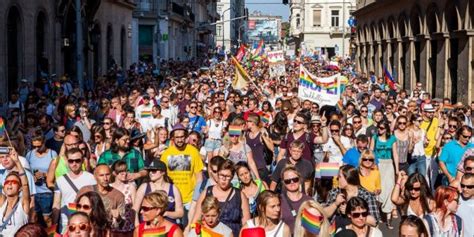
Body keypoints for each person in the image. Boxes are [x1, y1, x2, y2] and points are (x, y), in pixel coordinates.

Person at [192, 159, 250, 237]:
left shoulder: (240, 195)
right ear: (218, 174)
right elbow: (196, 220)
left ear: (232, 177)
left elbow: (246, 226)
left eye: (227, 176)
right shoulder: (207, 192)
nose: (224, 179)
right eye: (221, 175)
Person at [161, 124, 204, 227]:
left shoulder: (193, 151)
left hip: (190, 198)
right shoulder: (166, 154)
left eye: (182, 137)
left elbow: (199, 177)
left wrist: (196, 198)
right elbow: (162, 177)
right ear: (172, 138)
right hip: (172, 198)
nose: (180, 140)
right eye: (177, 137)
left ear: (186, 137)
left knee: (189, 228)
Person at [52, 148, 96, 233]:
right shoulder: (60, 180)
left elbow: (94, 202)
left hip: (85, 223)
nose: (74, 164)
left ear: (83, 160)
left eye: (77, 160)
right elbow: (56, 204)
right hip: (66, 224)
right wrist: (54, 226)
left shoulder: (91, 178)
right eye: (71, 161)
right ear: (67, 162)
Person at [76, 164, 128, 236]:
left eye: (107, 174)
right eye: (101, 175)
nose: (105, 178)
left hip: (103, 233)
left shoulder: (118, 196)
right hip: (83, 231)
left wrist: (118, 218)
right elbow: (74, 213)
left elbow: (121, 225)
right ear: (95, 176)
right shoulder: (85, 190)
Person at [133, 159, 184, 224]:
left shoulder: (173, 189)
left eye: (154, 170)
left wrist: (166, 213)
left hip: (168, 226)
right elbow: (135, 210)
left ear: (163, 172)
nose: (150, 173)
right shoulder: (144, 187)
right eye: (149, 171)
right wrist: (138, 227)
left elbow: (180, 213)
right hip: (147, 227)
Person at [369, 121, 398, 227]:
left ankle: (388, 217)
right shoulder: (374, 137)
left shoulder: (392, 139)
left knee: (389, 188)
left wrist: (397, 170)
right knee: (379, 189)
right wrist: (371, 165)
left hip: (389, 164)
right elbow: (371, 151)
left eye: (381, 128)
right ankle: (380, 213)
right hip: (378, 164)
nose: (379, 130)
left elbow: (395, 154)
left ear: (386, 129)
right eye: (378, 128)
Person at [26, 133, 57, 226]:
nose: (36, 149)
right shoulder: (30, 154)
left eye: (38, 146)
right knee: (33, 218)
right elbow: (27, 171)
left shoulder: (52, 154)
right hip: (33, 192)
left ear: (44, 142)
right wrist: (32, 177)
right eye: (34, 146)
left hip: (47, 192)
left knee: (47, 218)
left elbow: (58, 172)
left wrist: (45, 174)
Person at [0, 149, 30, 235]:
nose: (9, 184)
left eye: (14, 182)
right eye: (7, 182)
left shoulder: (23, 204)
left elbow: (25, 184)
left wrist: (17, 161)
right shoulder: (2, 202)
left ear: (20, 188)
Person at [279, 166, 313, 234]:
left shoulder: (309, 201)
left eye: (295, 179)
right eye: (288, 181)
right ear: (283, 183)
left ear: (300, 180)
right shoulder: (278, 201)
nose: (292, 182)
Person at [245, 113, 274, 184]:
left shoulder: (262, 133)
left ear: (253, 123)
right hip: (250, 168)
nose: (246, 123)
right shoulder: (246, 134)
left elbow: (271, 147)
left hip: (261, 167)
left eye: (248, 121)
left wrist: (263, 136)